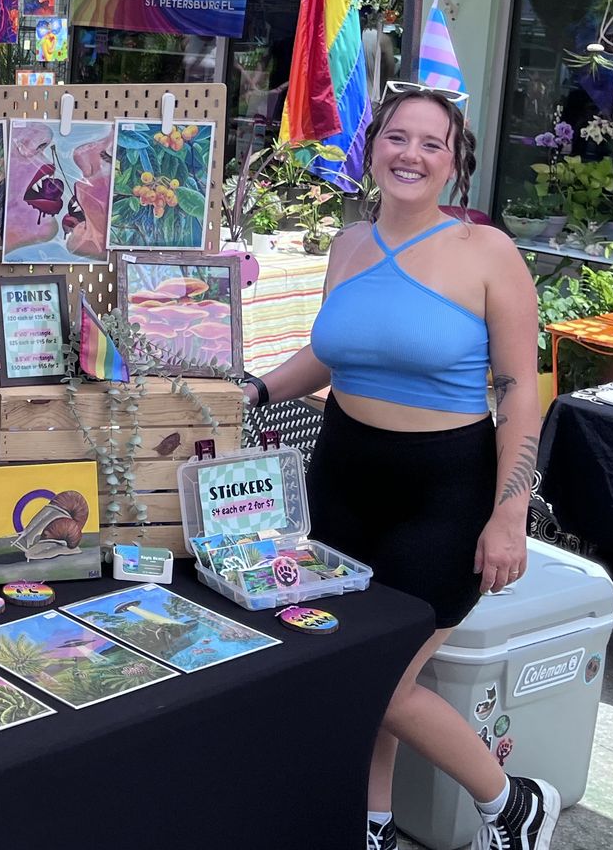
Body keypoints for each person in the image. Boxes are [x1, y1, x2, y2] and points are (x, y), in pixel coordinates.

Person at [240, 86, 558, 850]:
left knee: (374, 679)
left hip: (444, 493)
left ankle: (510, 802)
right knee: (359, 663)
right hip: (342, 477)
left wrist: (508, 514)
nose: (410, 154)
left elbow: (521, 392)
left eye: (431, 143)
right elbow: (330, 352)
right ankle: (372, 824)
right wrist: (256, 388)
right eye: (397, 137)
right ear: (373, 146)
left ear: (455, 164)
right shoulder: (349, 244)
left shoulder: (488, 254)